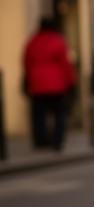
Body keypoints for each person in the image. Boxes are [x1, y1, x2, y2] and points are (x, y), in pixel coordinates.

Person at [23, 16, 76, 151]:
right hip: (56, 84)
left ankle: (41, 140)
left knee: (39, 113)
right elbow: (65, 64)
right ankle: (57, 140)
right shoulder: (58, 41)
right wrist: (71, 81)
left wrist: (28, 80)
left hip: (37, 84)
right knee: (59, 113)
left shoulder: (32, 41)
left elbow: (26, 62)